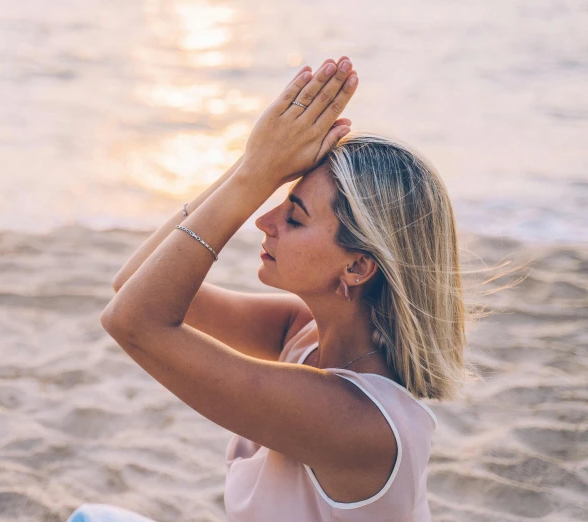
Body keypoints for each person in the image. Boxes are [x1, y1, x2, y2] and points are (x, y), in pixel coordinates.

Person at [74, 55, 478, 521]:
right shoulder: (302, 333)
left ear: (358, 266)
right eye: (278, 202)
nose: (264, 221)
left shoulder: (356, 421)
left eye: (294, 217)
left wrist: (255, 177)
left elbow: (133, 321)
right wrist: (253, 164)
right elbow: (134, 283)